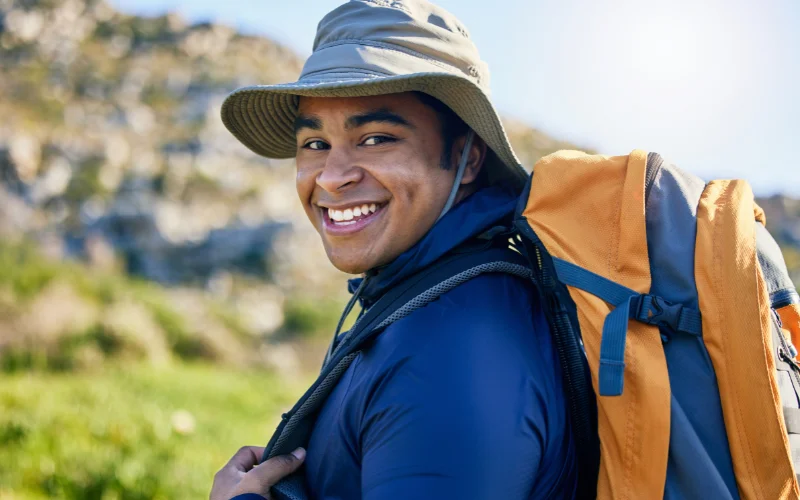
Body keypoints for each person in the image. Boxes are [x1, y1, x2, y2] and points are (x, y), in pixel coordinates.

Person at [210, 0, 576, 498]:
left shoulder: (452, 343)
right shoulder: (420, 303)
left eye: (376, 138)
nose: (333, 177)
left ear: (467, 158)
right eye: (314, 144)